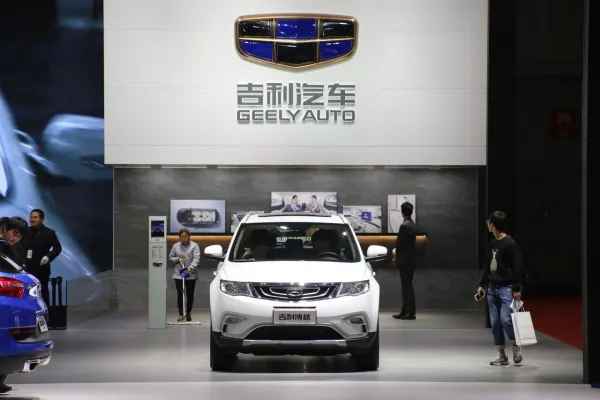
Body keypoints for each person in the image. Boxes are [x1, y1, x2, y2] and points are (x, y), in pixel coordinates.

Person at [477, 211, 524, 366]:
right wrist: (482, 284)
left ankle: (516, 344)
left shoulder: (510, 244)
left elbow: (517, 267)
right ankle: (501, 355)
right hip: (492, 288)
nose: (487, 224)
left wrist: (517, 289)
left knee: (506, 319)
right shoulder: (492, 243)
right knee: (495, 323)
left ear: (492, 225)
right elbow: (487, 265)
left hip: (506, 288)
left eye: (488, 222)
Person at [27, 209, 63, 306]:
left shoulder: (49, 233)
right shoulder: (26, 231)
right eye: (31, 217)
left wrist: (48, 257)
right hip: (27, 268)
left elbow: (57, 248)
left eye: (35, 217)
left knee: (42, 293)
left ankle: (45, 313)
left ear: (42, 219)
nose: (32, 219)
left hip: (41, 268)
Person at [169, 228, 200, 322]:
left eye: (185, 237)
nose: (183, 239)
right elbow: (171, 257)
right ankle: (181, 314)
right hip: (178, 273)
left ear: (189, 237)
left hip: (190, 273)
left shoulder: (194, 246)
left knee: (190, 294)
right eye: (181, 237)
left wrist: (190, 268)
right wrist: (177, 259)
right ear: (179, 237)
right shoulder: (175, 246)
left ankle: (188, 313)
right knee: (180, 294)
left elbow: (196, 258)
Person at [393, 202, 417, 320]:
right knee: (408, 285)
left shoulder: (404, 226)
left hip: (404, 260)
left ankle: (408, 312)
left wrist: (395, 257)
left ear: (402, 212)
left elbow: (399, 244)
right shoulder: (413, 225)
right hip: (410, 260)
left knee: (406, 286)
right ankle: (407, 310)